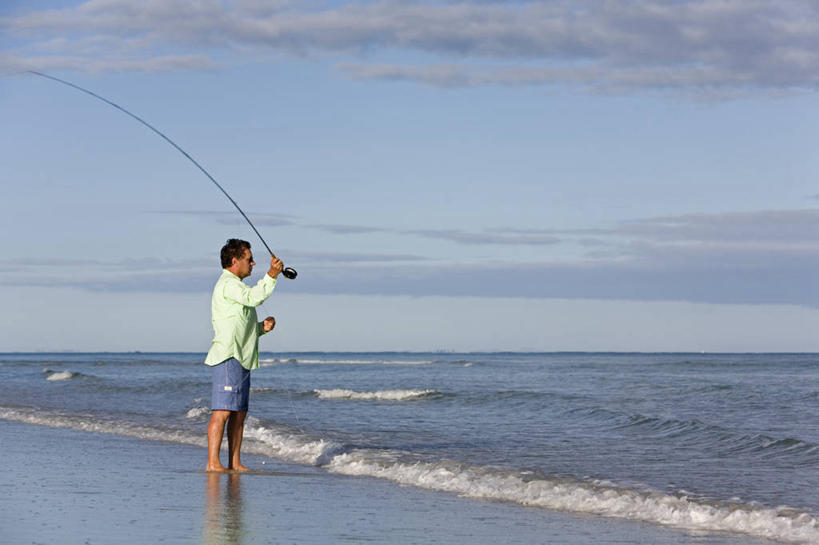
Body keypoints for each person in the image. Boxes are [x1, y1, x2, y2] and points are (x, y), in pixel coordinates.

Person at [204, 238, 283, 472]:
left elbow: (241, 326)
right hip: (228, 356)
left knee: (239, 413)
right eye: (249, 259)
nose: (252, 263)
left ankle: (235, 462)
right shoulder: (229, 284)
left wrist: (261, 328)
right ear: (234, 261)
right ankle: (212, 463)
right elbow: (253, 297)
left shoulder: (236, 287)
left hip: (243, 357)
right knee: (223, 411)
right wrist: (272, 275)